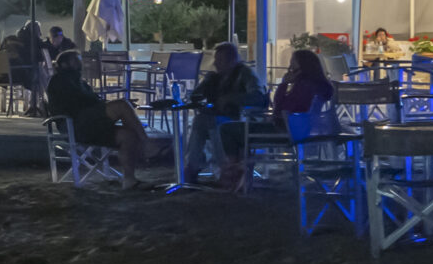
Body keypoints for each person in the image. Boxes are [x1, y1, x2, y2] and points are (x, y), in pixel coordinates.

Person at [45, 49, 158, 186]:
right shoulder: (59, 81)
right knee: (121, 105)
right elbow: (78, 101)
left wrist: (104, 104)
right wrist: (106, 105)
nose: (81, 63)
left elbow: (92, 99)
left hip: (92, 124)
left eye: (80, 59)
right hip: (76, 125)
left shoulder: (79, 82)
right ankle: (146, 144)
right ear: (64, 64)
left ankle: (129, 179)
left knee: (128, 135)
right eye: (76, 60)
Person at [176, 40, 262, 188]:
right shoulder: (216, 77)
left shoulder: (244, 74)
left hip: (240, 119)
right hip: (217, 118)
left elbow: (257, 96)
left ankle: (221, 169)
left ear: (232, 60)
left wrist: (231, 99)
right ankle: (195, 166)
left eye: (220, 60)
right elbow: (195, 96)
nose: (215, 64)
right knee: (201, 120)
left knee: (210, 122)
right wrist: (206, 83)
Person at [272, 46, 337, 123]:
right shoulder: (320, 84)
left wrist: (284, 84)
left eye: (293, 61)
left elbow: (280, 107)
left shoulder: (303, 86)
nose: (290, 65)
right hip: (314, 123)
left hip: (297, 123)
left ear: (301, 64)